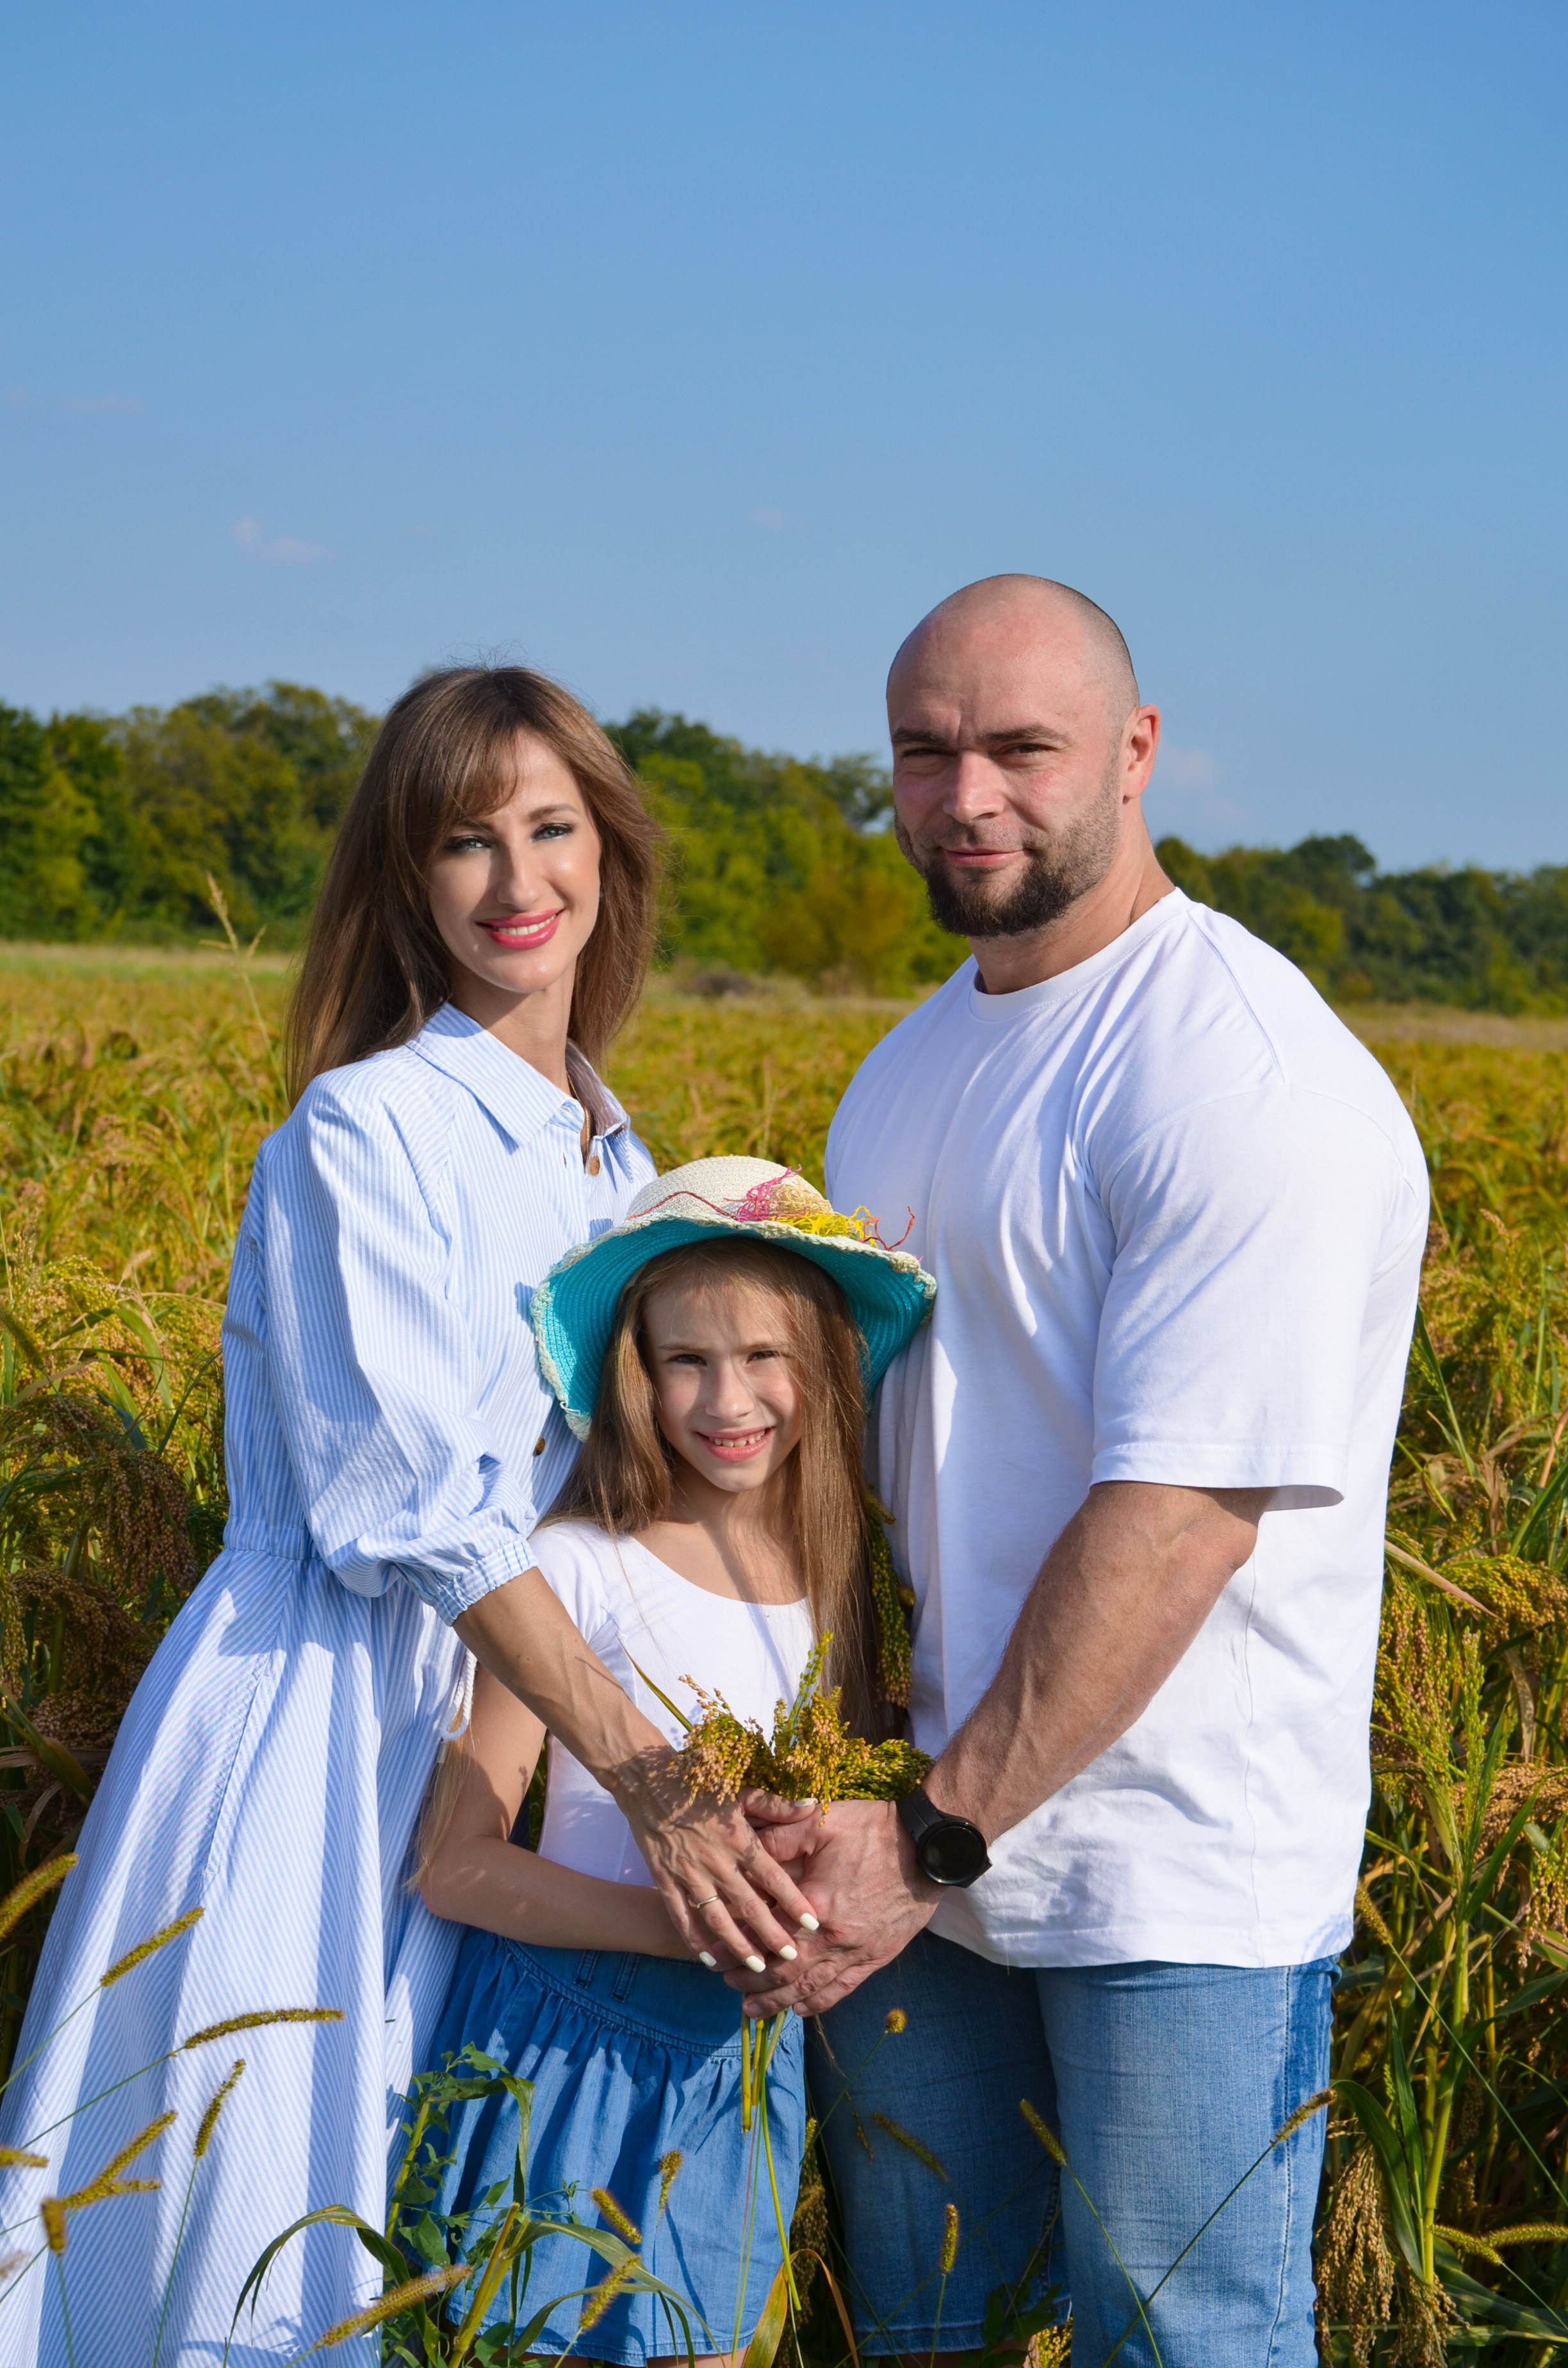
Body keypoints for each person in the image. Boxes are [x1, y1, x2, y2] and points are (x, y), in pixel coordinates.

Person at [0, 671, 815, 2367]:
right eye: (464, 840)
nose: (516, 880)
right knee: (280, 2224)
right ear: (406, 880)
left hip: (523, 1746)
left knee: (464, 2229)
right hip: (329, 1715)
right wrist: (654, 1781)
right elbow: (418, 1509)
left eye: (549, 827)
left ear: (612, 854)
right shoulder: (365, 1129)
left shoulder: (615, 1154)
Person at [739, 577, 1429, 2365]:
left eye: (1021, 748)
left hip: (1169, 1876)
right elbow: (876, 1479)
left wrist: (932, 1832)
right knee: (922, 2321)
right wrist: (842, 1782)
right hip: (912, 1842)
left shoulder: (1240, 1075)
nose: (967, 795)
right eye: (924, 750)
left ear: (1135, 755)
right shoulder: (899, 1076)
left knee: (1182, 2333)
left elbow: (1182, 1509)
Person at [413, 1158, 934, 2362]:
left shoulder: (847, 1589)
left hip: (736, 2062)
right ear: (635, 1376)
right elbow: (456, 1865)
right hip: (567, 2041)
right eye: (684, 1360)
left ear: (821, 1366)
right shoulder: (579, 1568)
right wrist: (691, 1925)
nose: (726, 1396)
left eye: (764, 1357)